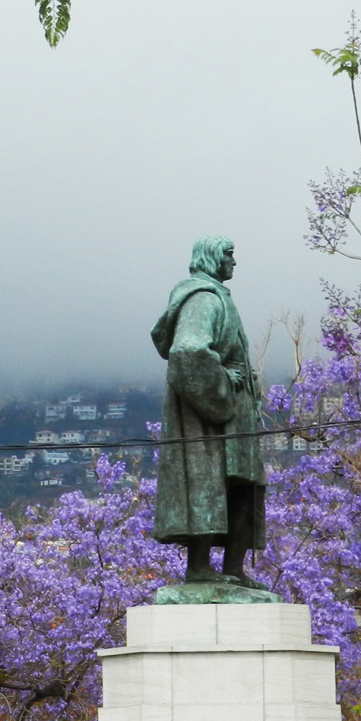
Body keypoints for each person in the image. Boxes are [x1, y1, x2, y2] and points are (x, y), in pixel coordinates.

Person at [150, 236, 266, 588]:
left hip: (234, 420)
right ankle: (199, 567)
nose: (234, 262)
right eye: (230, 255)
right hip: (210, 420)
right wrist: (222, 383)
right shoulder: (202, 298)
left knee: (243, 487)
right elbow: (187, 352)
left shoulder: (217, 296)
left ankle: (233, 568)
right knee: (208, 485)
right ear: (213, 258)